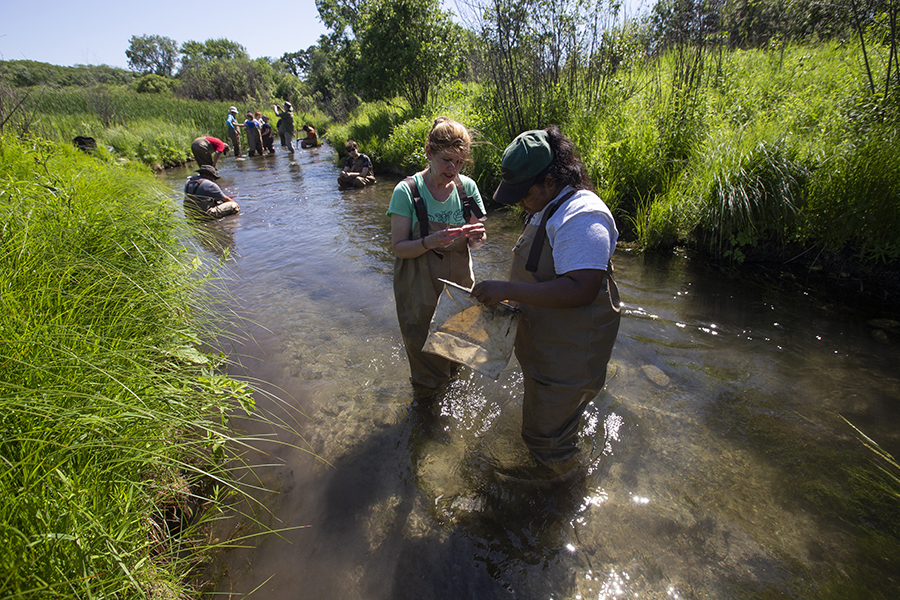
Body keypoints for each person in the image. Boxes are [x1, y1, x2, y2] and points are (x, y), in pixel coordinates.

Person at [471, 127, 621, 479]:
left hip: (570, 353)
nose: (520, 201)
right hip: (551, 347)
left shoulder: (582, 215)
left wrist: (508, 289)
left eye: (524, 193)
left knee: (545, 440)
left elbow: (582, 288)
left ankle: (565, 496)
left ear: (551, 181)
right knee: (553, 428)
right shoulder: (548, 205)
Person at [386, 117, 488, 401]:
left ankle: (452, 407)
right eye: (446, 160)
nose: (453, 169)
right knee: (426, 363)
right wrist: (428, 242)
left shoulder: (467, 189)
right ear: (429, 152)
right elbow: (399, 247)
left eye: (459, 162)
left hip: (459, 287)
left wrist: (478, 238)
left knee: (458, 355)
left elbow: (479, 240)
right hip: (417, 285)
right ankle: (426, 416)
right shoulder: (407, 191)